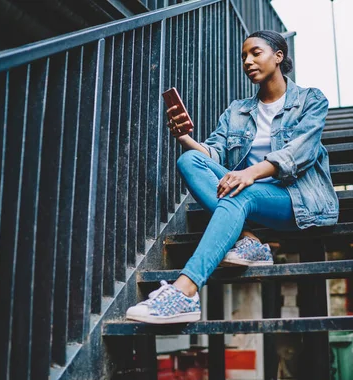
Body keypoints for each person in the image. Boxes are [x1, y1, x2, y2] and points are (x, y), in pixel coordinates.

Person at [126, 30, 338, 324]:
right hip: (246, 194)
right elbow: (213, 154)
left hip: (297, 198)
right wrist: (186, 138)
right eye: (243, 56)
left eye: (256, 53)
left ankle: (185, 291)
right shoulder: (237, 110)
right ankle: (248, 240)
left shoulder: (310, 100)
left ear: (278, 56)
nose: (248, 61)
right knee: (189, 160)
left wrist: (250, 173)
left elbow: (299, 153)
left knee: (242, 193)